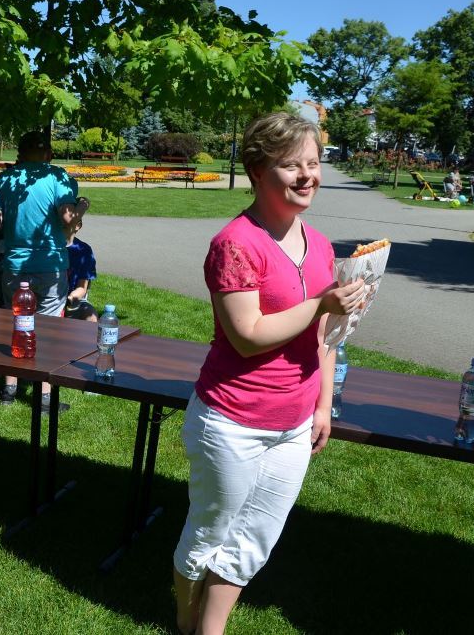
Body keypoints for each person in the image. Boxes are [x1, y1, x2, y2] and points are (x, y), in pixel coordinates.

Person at [172, 112, 364, 635]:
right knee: (210, 531)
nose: (308, 176)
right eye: (291, 165)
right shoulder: (236, 244)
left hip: (295, 423)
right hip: (231, 420)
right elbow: (247, 335)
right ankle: (185, 619)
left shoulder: (319, 244)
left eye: (313, 163)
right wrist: (322, 302)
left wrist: (323, 404)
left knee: (254, 538)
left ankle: (209, 630)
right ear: (258, 171)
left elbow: (325, 335)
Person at [0, 130, 89, 409]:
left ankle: (9, 389)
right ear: (48, 154)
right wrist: (82, 206)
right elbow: (68, 218)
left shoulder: (6, 178)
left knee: (16, 322)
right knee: (49, 328)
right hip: (50, 265)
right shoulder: (58, 176)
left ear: (21, 153)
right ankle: (44, 396)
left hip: (15, 265)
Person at [64, 204, 98, 322]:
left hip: (74, 299)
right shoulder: (48, 248)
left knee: (90, 315)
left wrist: (70, 299)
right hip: (49, 298)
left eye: (71, 219)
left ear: (78, 225)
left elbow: (82, 288)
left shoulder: (83, 250)